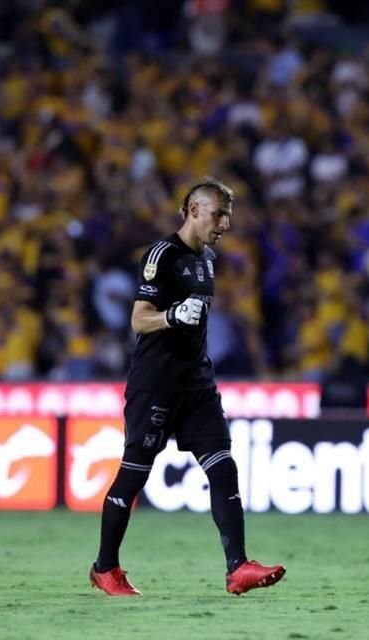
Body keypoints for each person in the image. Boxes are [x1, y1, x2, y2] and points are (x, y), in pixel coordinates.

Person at [89, 177, 286, 597]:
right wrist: (172, 316)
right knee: (133, 475)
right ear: (194, 210)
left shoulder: (209, 259)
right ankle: (105, 568)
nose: (226, 223)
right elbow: (139, 319)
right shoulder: (162, 255)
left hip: (197, 384)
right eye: (219, 213)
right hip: (155, 385)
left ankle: (238, 567)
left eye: (228, 215)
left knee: (223, 465)